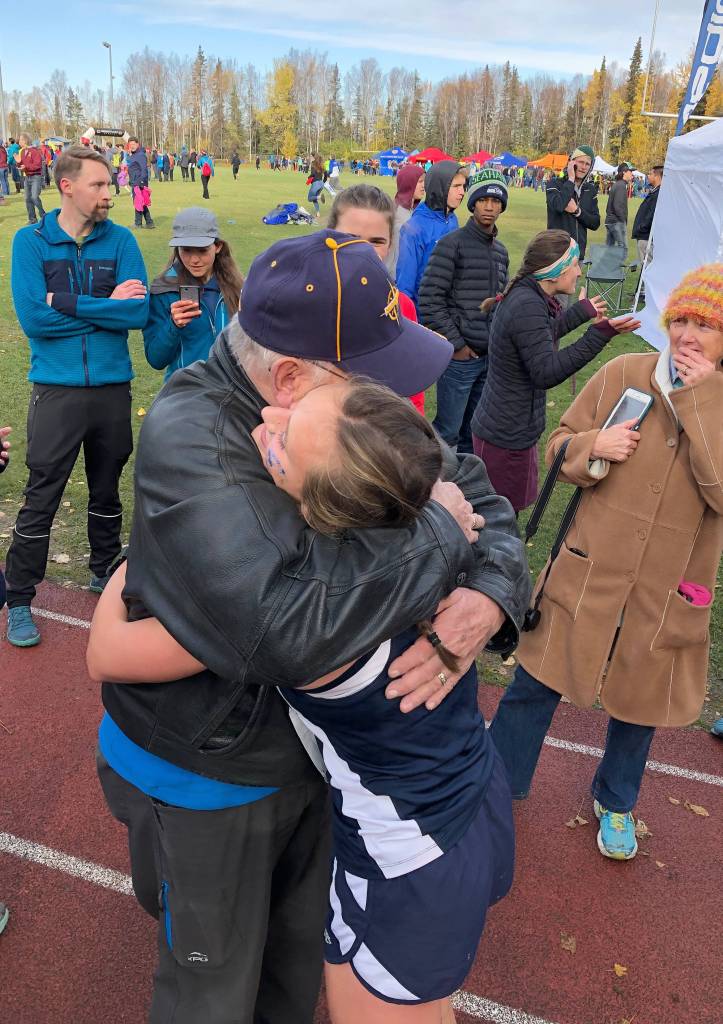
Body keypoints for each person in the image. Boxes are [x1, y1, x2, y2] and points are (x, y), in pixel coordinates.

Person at [86, 229, 529, 1024]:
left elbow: (472, 489)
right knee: (211, 990)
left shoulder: (331, 408)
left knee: (295, 972)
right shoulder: (195, 431)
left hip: (321, 762)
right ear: (289, 379)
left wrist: (490, 590)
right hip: (212, 769)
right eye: (370, 377)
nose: (389, 403)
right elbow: (279, 628)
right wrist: (437, 533)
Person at [490, 262, 723, 860]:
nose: (690, 335)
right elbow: (561, 443)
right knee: (534, 682)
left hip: (665, 587)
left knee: (639, 699)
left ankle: (616, 800)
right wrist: (595, 447)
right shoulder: (625, 372)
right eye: (683, 320)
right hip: (588, 566)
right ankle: (494, 785)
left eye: (708, 325)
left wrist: (700, 406)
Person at [4, 145, 149, 648]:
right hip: (56, 390)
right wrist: (104, 305)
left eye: (111, 184)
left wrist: (67, 302)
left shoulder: (123, 240)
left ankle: (103, 569)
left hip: (112, 387)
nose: (111, 193)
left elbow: (136, 315)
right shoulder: (30, 242)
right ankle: (19, 598)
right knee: (42, 494)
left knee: (107, 489)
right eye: (100, 185)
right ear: (67, 185)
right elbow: (33, 319)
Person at [470, 230, 640, 514]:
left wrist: (581, 313)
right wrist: (599, 334)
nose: (578, 272)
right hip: (504, 436)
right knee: (498, 519)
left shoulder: (530, 297)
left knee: (504, 515)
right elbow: (546, 371)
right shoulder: (527, 304)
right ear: (553, 272)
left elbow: (539, 336)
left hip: (509, 430)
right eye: (574, 265)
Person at [420, 169, 510, 454]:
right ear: (473, 203)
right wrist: (457, 345)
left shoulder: (501, 252)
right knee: (447, 432)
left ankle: (467, 491)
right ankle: (434, 490)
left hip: (487, 359)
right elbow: (430, 298)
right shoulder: (452, 244)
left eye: (496, 201)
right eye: (483, 200)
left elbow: (498, 304)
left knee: (474, 432)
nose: (489, 206)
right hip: (460, 359)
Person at [327, 183, 426, 413]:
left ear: (390, 243)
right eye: (350, 237)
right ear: (328, 235)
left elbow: (413, 390)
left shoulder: (401, 306)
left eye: (377, 241)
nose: (363, 249)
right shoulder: (305, 300)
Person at [144, 208, 243, 380]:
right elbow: (156, 360)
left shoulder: (239, 287)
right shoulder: (164, 290)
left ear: (218, 246)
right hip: (186, 395)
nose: (194, 260)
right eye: (186, 250)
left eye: (202, 250)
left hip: (232, 392)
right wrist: (173, 326)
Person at [396, 160, 469, 313]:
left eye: (463, 186)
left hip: (448, 311)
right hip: (424, 315)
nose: (462, 192)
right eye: (456, 186)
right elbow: (405, 285)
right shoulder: (414, 228)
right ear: (440, 188)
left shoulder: (452, 219)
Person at [545, 145, 600, 260]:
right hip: (557, 252)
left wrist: (577, 211)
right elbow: (559, 206)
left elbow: (595, 223)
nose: (584, 167)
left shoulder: (590, 190)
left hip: (578, 254)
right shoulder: (554, 184)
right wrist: (570, 180)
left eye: (587, 164)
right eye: (580, 162)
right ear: (571, 162)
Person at [385, 162, 425, 277]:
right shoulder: (398, 216)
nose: (423, 186)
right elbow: (395, 258)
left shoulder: (414, 211)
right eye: (420, 182)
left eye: (424, 182)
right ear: (409, 184)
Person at [632, 164, 663, 267]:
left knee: (647, 268)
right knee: (645, 266)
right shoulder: (655, 192)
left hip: (647, 237)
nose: (648, 176)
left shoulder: (659, 193)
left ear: (657, 176)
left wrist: (641, 228)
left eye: (650, 174)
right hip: (644, 236)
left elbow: (651, 215)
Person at [18, 133, 46, 225]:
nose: (19, 141)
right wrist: (18, 163)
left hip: (35, 177)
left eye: (21, 139)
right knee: (27, 198)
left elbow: (37, 166)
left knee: (34, 197)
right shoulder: (22, 152)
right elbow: (21, 165)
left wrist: (25, 166)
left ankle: (43, 215)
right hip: (27, 177)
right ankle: (32, 219)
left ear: (25, 141)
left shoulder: (35, 151)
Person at [127, 137, 155, 229]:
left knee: (138, 202)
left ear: (137, 144)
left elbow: (144, 169)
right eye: (130, 145)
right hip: (135, 182)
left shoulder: (140, 155)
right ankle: (149, 223)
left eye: (133, 144)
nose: (132, 146)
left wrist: (141, 182)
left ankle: (138, 223)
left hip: (139, 183)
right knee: (141, 203)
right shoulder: (134, 155)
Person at [605, 163, 633, 248]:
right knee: (623, 248)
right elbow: (617, 206)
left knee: (609, 249)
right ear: (624, 172)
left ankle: (607, 261)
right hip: (616, 222)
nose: (632, 174)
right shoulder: (621, 185)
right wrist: (623, 220)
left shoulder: (618, 184)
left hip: (611, 221)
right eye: (630, 171)